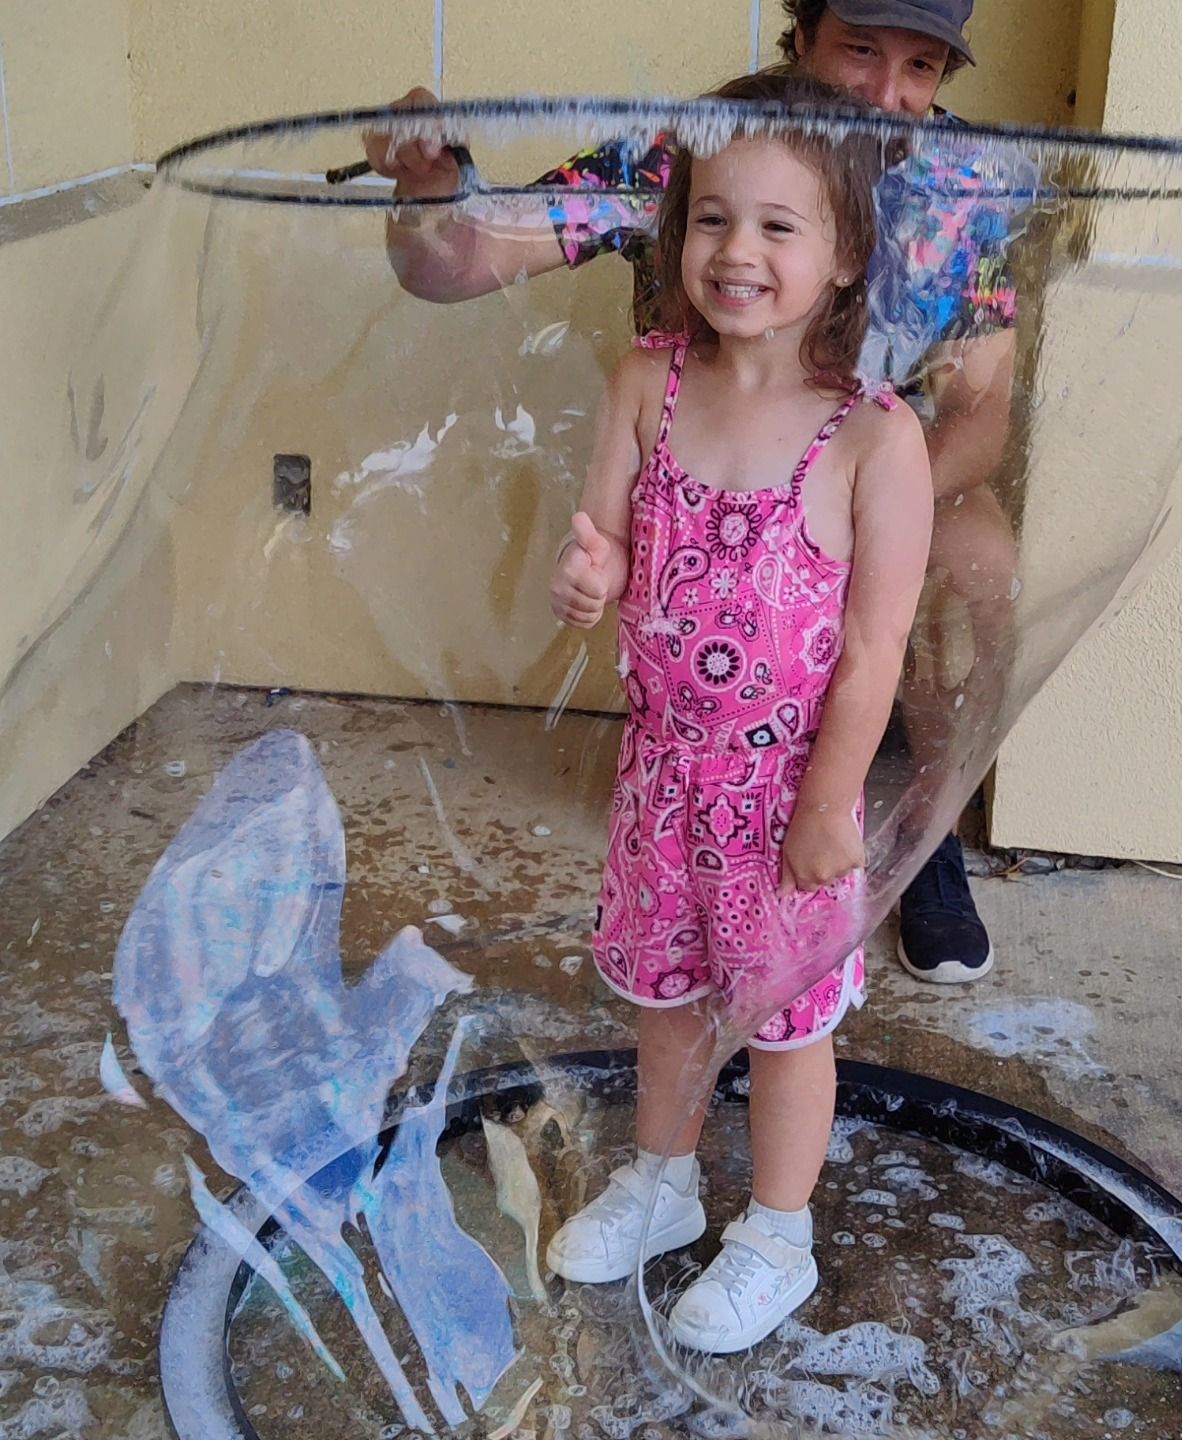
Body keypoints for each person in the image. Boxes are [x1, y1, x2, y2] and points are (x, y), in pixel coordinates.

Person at [364, 0, 1013, 985]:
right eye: (861, 50)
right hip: (695, 490)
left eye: (920, 67)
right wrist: (429, 185)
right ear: (802, 32)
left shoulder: (963, 182)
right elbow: (453, 263)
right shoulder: (690, 150)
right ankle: (692, 792)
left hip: (875, 477)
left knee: (985, 561)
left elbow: (985, 411)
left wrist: (863, 506)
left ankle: (926, 828)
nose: (887, 94)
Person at [544, 71, 933, 1352]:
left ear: (846, 253)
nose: (737, 251)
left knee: (781, 1023)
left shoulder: (873, 437)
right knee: (665, 1002)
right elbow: (608, 538)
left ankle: (776, 1232)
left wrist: (831, 804)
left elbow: (874, 647)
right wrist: (588, 576)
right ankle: (661, 1182)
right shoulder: (647, 381)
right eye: (711, 219)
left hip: (785, 799)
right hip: (664, 777)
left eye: (778, 225)